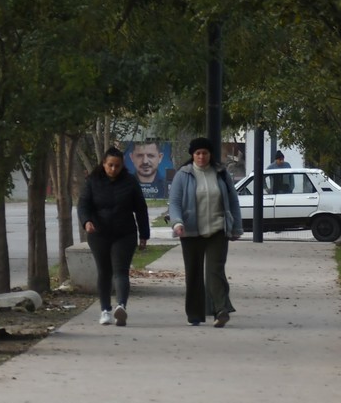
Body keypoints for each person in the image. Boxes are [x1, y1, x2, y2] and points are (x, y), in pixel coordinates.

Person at [168, 136, 244, 327]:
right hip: (191, 231)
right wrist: (177, 222)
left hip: (217, 230)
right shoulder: (183, 175)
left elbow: (232, 200)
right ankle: (194, 314)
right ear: (192, 155)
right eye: (198, 153)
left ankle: (220, 310)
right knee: (193, 273)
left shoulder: (220, 173)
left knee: (214, 272)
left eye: (205, 153)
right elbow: (175, 202)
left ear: (211, 155)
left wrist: (236, 227)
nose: (201, 157)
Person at [78, 147, 151, 326]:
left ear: (122, 166)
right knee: (104, 271)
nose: (113, 169)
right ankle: (105, 310)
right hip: (99, 233)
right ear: (103, 164)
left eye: (117, 166)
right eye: (110, 165)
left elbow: (141, 209)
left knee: (121, 271)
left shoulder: (130, 181)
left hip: (124, 233)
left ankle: (121, 307)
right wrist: (86, 221)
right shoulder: (92, 181)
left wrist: (144, 234)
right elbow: (83, 205)